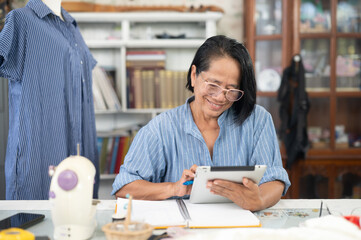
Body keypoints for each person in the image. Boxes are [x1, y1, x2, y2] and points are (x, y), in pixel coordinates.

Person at [112, 35, 290, 211]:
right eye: (213, 85)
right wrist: (173, 188)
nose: (220, 97)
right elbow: (124, 187)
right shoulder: (160, 129)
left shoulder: (258, 121)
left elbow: (275, 180)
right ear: (193, 75)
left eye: (231, 90)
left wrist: (258, 200)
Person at [0, 0, 99, 200]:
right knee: (33, 226)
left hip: (79, 157)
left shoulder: (72, 27)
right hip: (40, 159)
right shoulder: (21, 21)